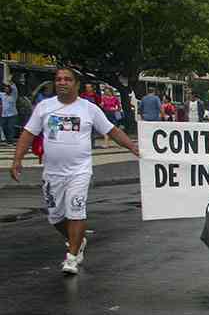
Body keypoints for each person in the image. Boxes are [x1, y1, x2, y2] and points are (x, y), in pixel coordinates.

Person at [8, 67, 140, 275]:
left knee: (76, 210)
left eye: (67, 79)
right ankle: (77, 240)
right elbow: (28, 134)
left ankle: (72, 256)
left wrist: (132, 146)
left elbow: (111, 131)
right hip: (52, 174)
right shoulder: (44, 107)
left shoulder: (89, 109)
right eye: (58, 79)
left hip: (79, 171)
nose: (62, 82)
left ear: (76, 84)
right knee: (56, 217)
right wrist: (17, 159)